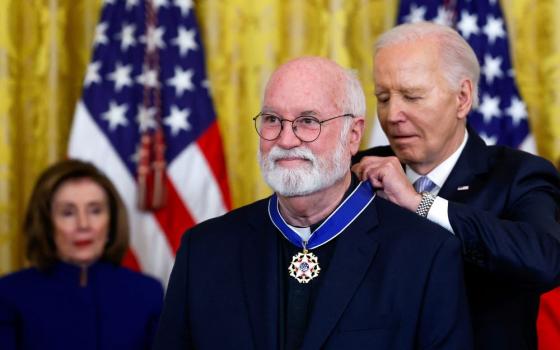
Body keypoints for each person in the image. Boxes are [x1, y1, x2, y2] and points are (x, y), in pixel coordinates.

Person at [154, 56, 472, 349]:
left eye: (308, 121)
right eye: (272, 119)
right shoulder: (204, 249)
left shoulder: (426, 254)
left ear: (353, 135)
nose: (286, 139)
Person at [352, 22, 560, 350]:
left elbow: (545, 260)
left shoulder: (518, 174)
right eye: (383, 97)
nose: (393, 115)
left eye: (411, 96)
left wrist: (419, 203)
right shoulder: (357, 171)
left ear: (462, 98)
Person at [0, 160, 163, 350]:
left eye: (95, 210)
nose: (84, 224)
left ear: (111, 220)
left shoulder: (147, 293)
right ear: (45, 223)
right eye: (68, 213)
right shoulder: (10, 294)